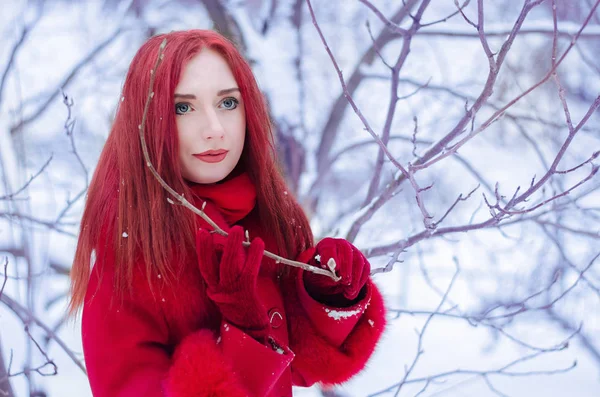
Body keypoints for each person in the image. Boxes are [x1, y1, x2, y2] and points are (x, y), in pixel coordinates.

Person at [68, 29, 386, 397]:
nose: (215, 129)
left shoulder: (264, 213)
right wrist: (244, 333)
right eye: (183, 107)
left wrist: (327, 295)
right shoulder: (129, 251)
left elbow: (300, 364)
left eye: (228, 103)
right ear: (146, 123)